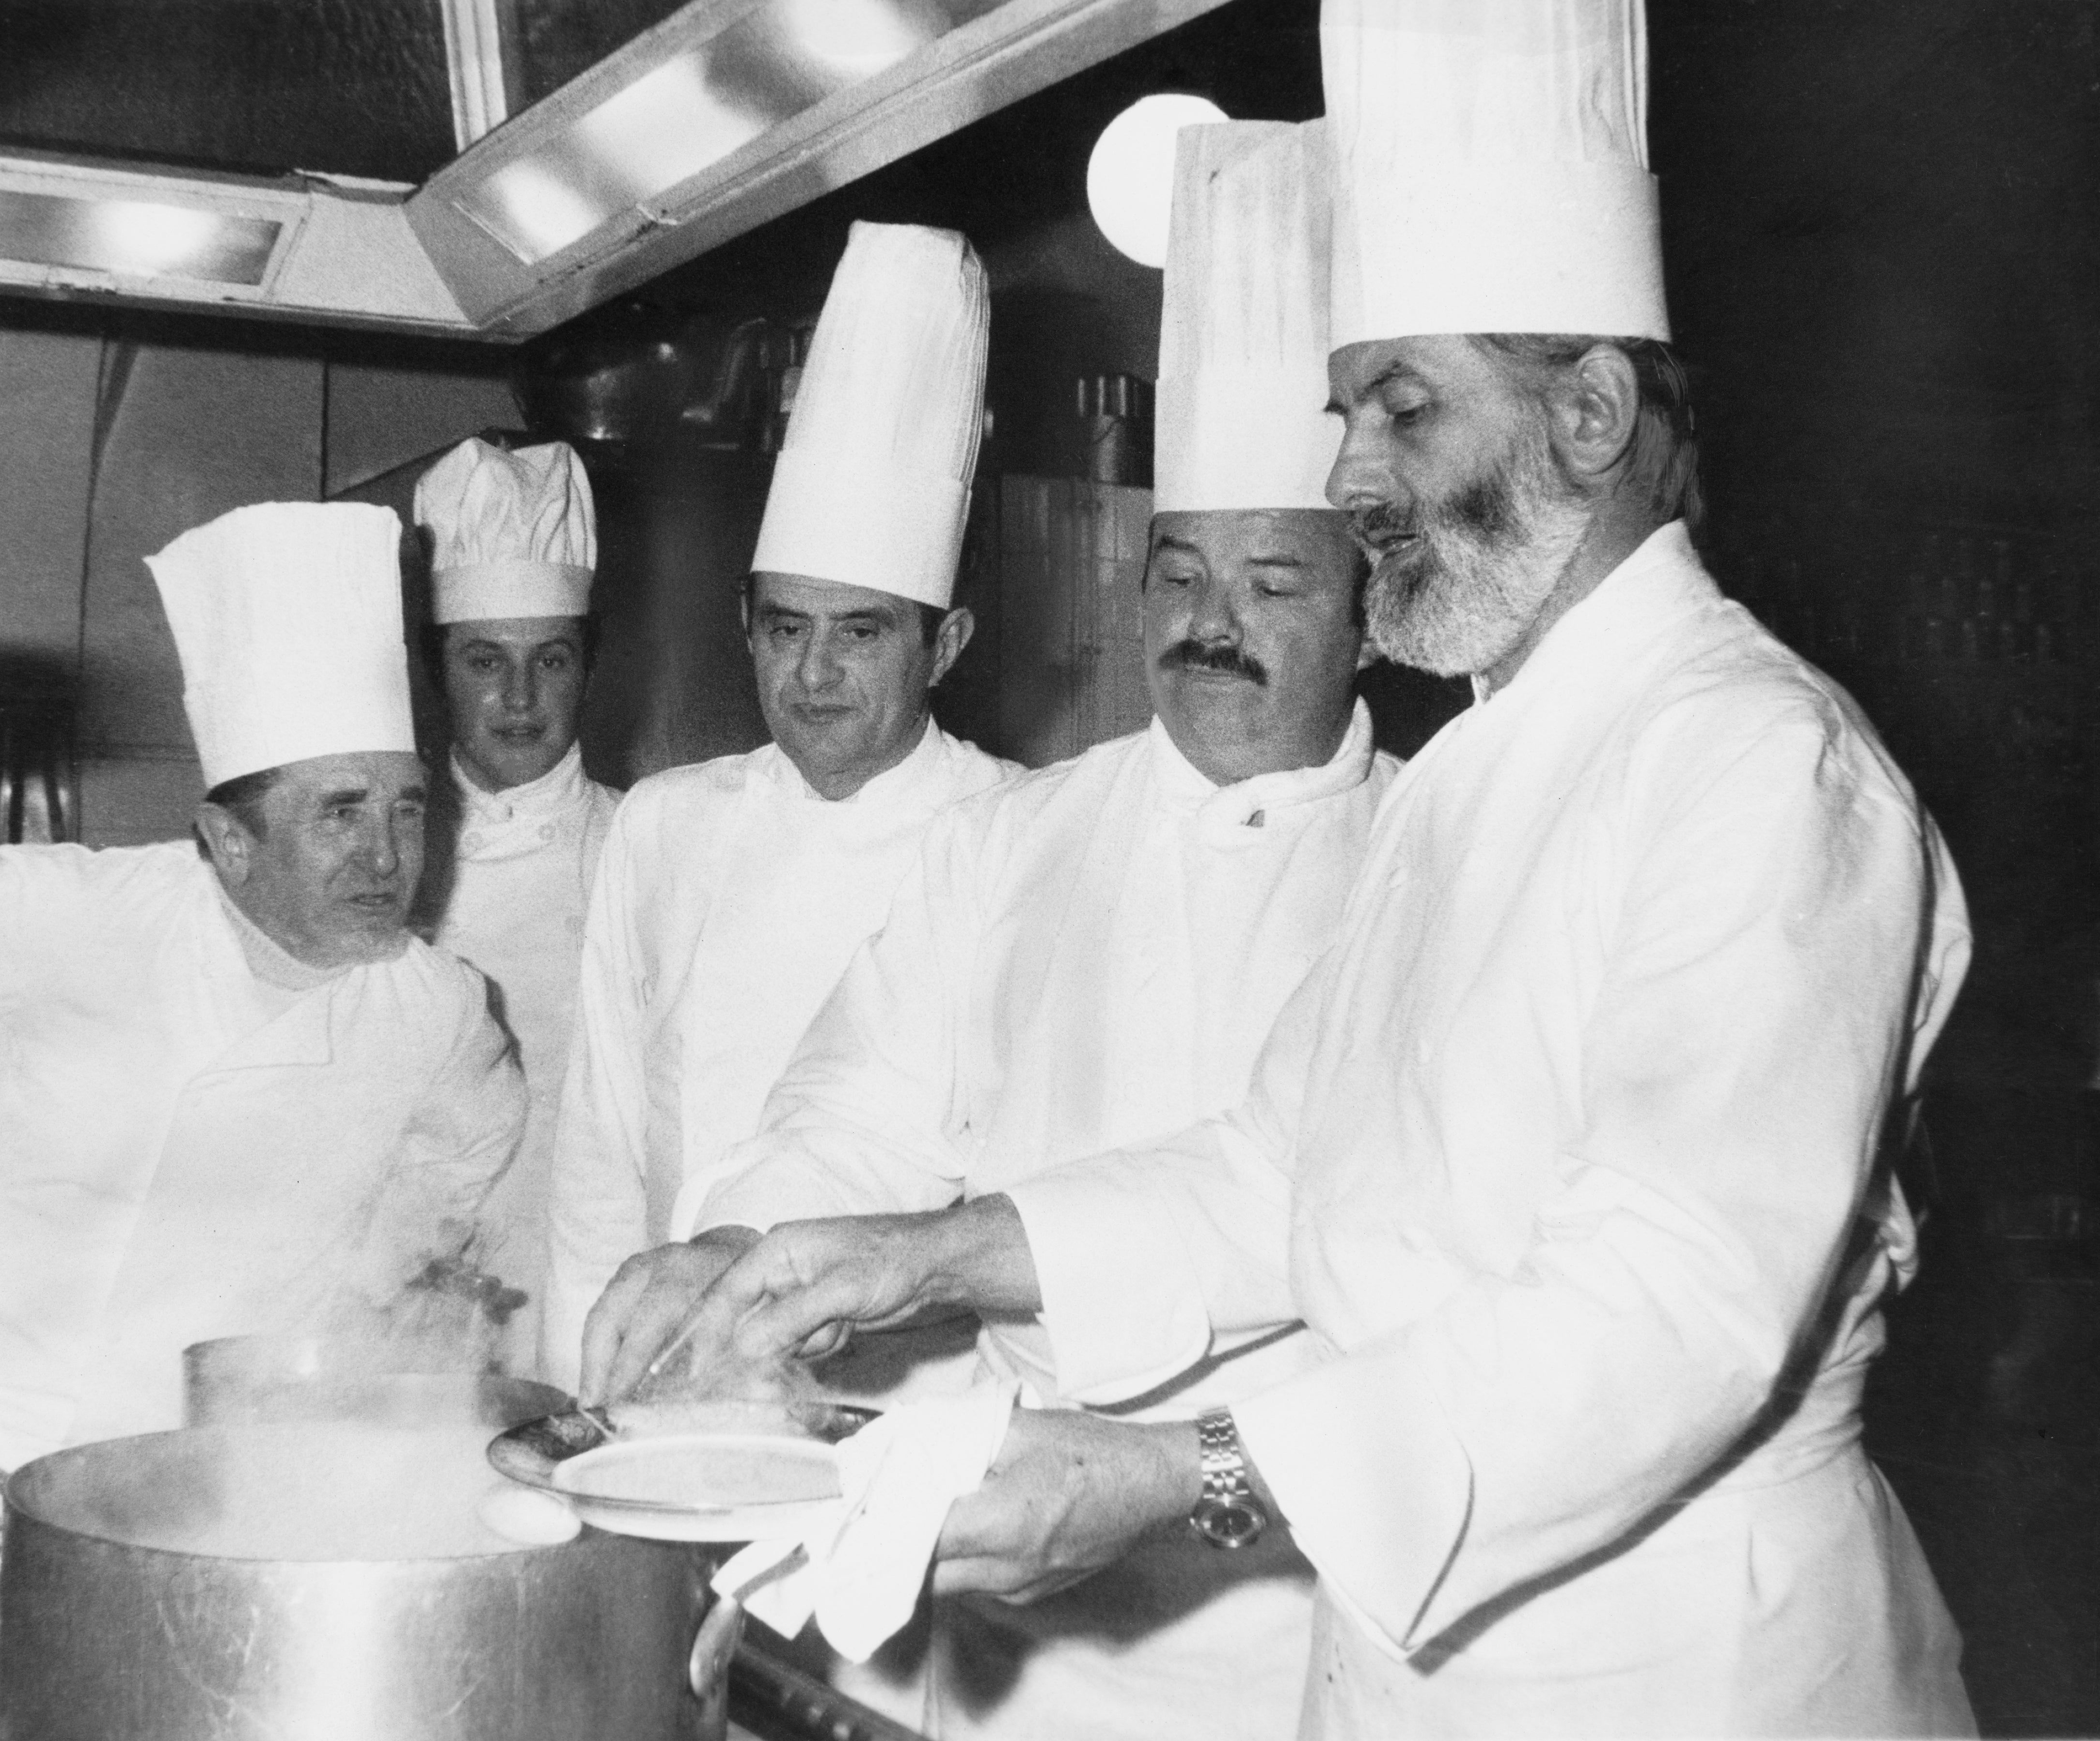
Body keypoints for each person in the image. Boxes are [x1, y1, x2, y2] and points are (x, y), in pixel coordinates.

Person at [661, 2, 1979, 1733]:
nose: (1348, 479)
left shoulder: (1756, 764)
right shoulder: (1473, 775)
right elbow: (1283, 1164)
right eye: (1346, 413)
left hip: (1676, 1677)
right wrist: (925, 1252)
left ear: (1589, 414)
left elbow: (1666, 1305)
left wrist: (1175, 1474)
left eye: (1400, 410)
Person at [586, 122, 1389, 1741]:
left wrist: (934, 1263)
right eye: (1175, 572)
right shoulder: (1028, 833)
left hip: (1302, 1590)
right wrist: (744, 1247)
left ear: (1373, 602)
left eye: (1274, 583)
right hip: (1005, 1584)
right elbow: (861, 1092)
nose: (1207, 626)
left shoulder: (1427, 858)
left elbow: (1312, 1212)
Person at [0, 502, 525, 1533]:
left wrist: (391, 1282)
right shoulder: (80, 916)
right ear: (228, 838)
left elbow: (469, 1141)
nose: (386, 860)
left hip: (218, 1490)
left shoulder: (433, 1007)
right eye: (340, 813)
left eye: (407, 808)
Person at [538, 221, 1017, 1391]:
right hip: (663, 1385)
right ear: (743, 627)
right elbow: (599, 1148)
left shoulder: (1016, 836)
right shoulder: (664, 823)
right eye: (785, 628)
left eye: (860, 633)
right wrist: (576, 1404)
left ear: (942, 643)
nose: (812, 676)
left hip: (906, 1410)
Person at [413, 436, 622, 1374]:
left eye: (552, 660)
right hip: (415, 1291)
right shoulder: (391, 861)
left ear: (588, 667)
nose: (519, 697)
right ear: (437, 671)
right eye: (483, 662)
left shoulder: (646, 843)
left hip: (603, 1277)